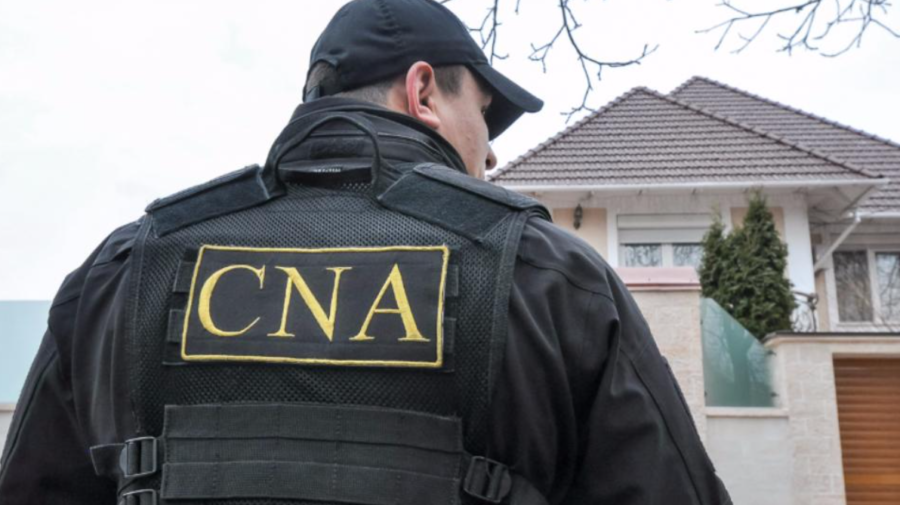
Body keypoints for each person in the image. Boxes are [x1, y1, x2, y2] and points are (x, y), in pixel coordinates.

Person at [0, 0, 732, 503]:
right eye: (484, 113)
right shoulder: (550, 280)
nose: (491, 151)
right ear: (423, 92)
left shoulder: (123, 273)